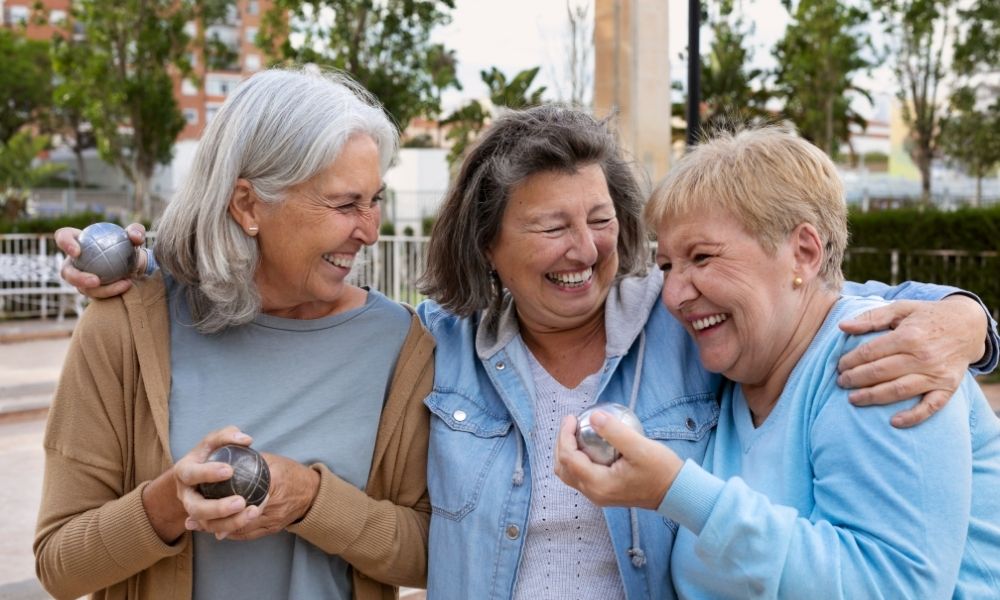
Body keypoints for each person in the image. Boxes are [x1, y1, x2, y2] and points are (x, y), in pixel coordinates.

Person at [58, 106, 998, 599]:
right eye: (551, 227)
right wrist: (157, 263)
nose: (587, 249)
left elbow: (830, 296)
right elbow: (300, 289)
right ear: (489, 250)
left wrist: (970, 323)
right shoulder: (436, 349)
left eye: (600, 221)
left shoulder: (679, 321)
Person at [34, 68, 435, 600]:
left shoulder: (398, 343)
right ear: (247, 205)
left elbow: (431, 553)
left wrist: (313, 500)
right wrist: (171, 503)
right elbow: (60, 564)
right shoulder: (127, 323)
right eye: (345, 204)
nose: (369, 230)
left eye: (375, 199)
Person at [554, 126, 1000, 598]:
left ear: (804, 253)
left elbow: (892, 585)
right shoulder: (740, 371)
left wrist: (675, 490)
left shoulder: (881, 356)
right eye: (666, 266)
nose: (674, 294)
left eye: (702, 257)